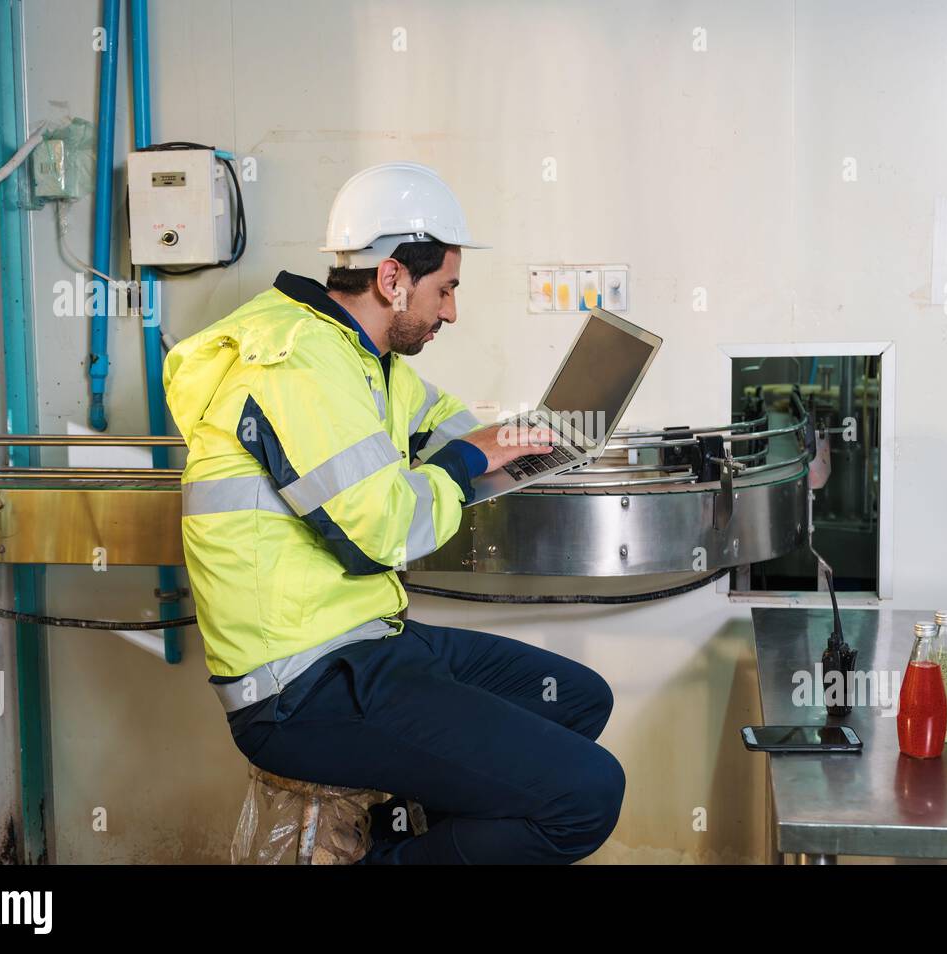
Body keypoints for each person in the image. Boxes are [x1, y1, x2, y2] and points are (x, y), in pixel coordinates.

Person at [163, 161, 625, 863]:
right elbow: (384, 533)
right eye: (446, 290)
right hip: (297, 686)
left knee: (578, 700)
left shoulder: (362, 356)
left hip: (364, 642)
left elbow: (438, 425)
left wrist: (522, 444)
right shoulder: (298, 364)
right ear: (391, 279)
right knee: (589, 794)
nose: (451, 312)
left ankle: (406, 837)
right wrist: (470, 459)